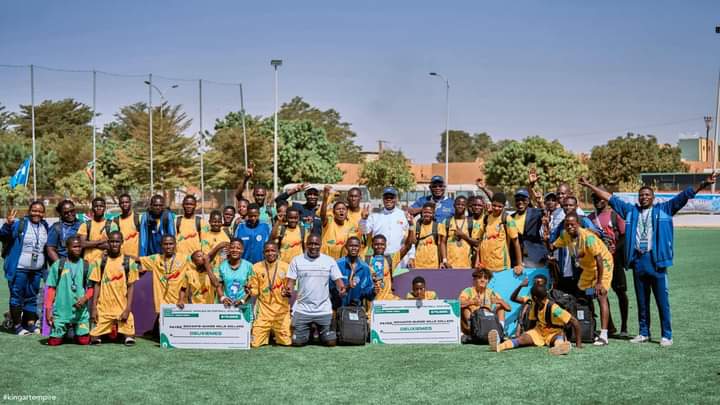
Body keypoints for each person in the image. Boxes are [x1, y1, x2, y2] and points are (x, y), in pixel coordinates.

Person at [580, 172, 717, 347]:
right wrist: (589, 185)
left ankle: (666, 334)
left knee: (662, 300)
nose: (644, 197)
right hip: (638, 260)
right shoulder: (631, 211)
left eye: (647, 195)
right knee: (642, 300)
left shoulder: (664, 209)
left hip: (656, 260)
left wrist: (704, 183)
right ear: (638, 199)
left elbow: (684, 196)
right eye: (641, 195)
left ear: (653, 198)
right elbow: (610, 198)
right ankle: (644, 332)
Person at [545, 212, 614, 346]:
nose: (570, 227)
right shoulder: (565, 235)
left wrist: (599, 283)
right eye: (567, 224)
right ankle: (591, 327)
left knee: (601, 294)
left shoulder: (588, 237)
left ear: (578, 224)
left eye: (573, 224)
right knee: (583, 293)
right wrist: (546, 239)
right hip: (588, 267)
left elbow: (599, 259)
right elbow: (552, 247)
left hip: (603, 265)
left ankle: (604, 334)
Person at [489, 278, 582, 355]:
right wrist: (527, 334)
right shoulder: (534, 302)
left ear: (535, 297)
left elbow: (574, 321)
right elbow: (513, 298)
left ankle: (559, 347)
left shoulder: (554, 308)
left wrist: (578, 344)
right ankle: (498, 347)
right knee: (521, 340)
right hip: (539, 332)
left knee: (558, 338)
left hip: (554, 332)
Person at [286, 235, 346, 346]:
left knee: (331, 343)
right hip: (303, 309)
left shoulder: (329, 261)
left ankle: (316, 329)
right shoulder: (297, 260)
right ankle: (310, 329)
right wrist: (288, 289)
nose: (313, 246)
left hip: (323, 309)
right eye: (310, 244)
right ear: (306, 245)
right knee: (297, 343)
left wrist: (341, 288)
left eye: (316, 244)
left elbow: (338, 281)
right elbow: (290, 281)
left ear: (320, 245)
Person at [2, 201, 49, 335]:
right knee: (17, 296)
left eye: (40, 211)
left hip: (36, 269)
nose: (37, 213)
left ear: (43, 213)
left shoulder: (44, 226)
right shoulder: (20, 224)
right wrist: (8, 224)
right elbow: (3, 235)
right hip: (20, 267)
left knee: (32, 296)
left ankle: (30, 324)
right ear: (29, 211)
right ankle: (17, 325)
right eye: (34, 210)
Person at [588, 190, 629, 337]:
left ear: (606, 199)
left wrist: (614, 248)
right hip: (599, 261)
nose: (597, 201)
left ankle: (624, 327)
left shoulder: (614, 214)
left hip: (615, 260)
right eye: (594, 198)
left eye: (600, 198)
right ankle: (610, 326)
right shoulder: (590, 218)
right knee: (601, 292)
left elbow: (624, 236)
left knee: (620, 292)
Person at [88, 231, 139, 346]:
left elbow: (131, 287)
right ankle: (103, 332)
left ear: (122, 243)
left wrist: (127, 309)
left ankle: (124, 332)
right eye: (111, 241)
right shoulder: (100, 262)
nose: (114, 244)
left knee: (130, 336)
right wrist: (94, 307)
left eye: (117, 242)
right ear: (108, 243)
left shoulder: (128, 262)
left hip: (121, 307)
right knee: (93, 337)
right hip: (104, 308)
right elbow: (96, 285)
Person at [136, 235, 190, 338]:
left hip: (179, 300)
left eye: (171, 244)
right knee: (165, 337)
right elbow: (138, 259)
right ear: (161, 246)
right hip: (163, 302)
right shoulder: (156, 258)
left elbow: (200, 260)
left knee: (180, 335)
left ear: (175, 245)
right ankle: (156, 331)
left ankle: (154, 331)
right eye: (165, 244)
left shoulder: (184, 258)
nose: (168, 246)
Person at [44, 236, 93, 346]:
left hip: (80, 312)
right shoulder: (58, 265)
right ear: (67, 248)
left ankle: (75, 330)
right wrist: (48, 310)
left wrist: (85, 298)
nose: (78, 249)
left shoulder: (86, 265)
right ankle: (64, 330)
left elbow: (91, 289)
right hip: (61, 311)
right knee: (54, 342)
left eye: (79, 246)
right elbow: (51, 289)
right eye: (74, 247)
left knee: (84, 341)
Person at [247, 242, 291, 347]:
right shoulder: (256, 267)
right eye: (267, 251)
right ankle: (268, 333)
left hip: (281, 311)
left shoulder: (286, 267)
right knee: (255, 344)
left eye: (273, 250)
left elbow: (290, 289)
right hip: (264, 311)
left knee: (287, 343)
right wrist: (249, 291)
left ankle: (275, 333)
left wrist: (287, 293)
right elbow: (255, 291)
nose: (270, 253)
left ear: (278, 252)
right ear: (263, 253)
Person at [360, 187, 411, 265]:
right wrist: (364, 219)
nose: (389, 199)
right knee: (380, 277)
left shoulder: (403, 215)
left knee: (398, 277)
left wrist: (411, 256)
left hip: (399, 257)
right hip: (379, 258)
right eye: (386, 197)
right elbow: (364, 231)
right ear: (383, 199)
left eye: (391, 197)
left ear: (396, 199)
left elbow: (409, 238)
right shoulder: (375, 215)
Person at [476, 193, 523, 275]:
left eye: (500, 206)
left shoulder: (507, 219)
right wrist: (477, 260)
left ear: (503, 207)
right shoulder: (486, 218)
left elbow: (516, 242)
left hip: (501, 267)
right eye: (494, 205)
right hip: (485, 266)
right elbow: (480, 241)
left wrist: (519, 264)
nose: (496, 208)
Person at [459, 268, 510, 335]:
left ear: (488, 281)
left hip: (486, 322)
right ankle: (473, 332)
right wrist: (472, 302)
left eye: (485, 278)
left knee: (501, 309)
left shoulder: (491, 292)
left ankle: (499, 332)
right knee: (465, 309)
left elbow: (509, 308)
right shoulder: (468, 291)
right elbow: (458, 304)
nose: (482, 280)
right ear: (475, 280)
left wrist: (500, 301)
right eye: (479, 278)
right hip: (473, 322)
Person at [510, 179, 547, 268]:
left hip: (535, 258)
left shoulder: (535, 213)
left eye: (523, 199)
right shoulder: (510, 218)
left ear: (528, 201)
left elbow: (546, 213)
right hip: (518, 259)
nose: (520, 202)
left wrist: (540, 202)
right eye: (517, 199)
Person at [332, 236, 376, 308]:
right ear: (346, 247)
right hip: (339, 310)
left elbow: (368, 296)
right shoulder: (337, 264)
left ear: (360, 247)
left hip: (357, 310)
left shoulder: (365, 268)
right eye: (351, 246)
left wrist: (374, 291)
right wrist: (347, 287)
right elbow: (331, 288)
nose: (353, 248)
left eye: (356, 246)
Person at [320, 186, 360, 260]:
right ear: (334, 212)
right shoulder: (329, 222)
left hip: (343, 261)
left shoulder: (350, 225)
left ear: (346, 212)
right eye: (338, 209)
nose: (341, 211)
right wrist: (325, 199)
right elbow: (322, 215)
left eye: (343, 209)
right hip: (327, 260)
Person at [215, 239, 254, 307]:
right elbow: (219, 286)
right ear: (229, 250)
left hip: (244, 305)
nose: (235, 250)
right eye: (232, 247)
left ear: (242, 250)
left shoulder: (249, 266)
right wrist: (223, 298)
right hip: (226, 305)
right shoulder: (222, 266)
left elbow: (252, 288)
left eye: (238, 248)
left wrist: (242, 300)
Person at [77, 197, 115, 264]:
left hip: (106, 264)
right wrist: (102, 241)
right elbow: (82, 244)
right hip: (88, 263)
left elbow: (111, 246)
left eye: (101, 206)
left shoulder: (112, 225)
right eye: (96, 206)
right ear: (92, 208)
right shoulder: (85, 225)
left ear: (105, 208)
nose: (99, 208)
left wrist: (89, 243)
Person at [443, 196, 476, 269]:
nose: (460, 206)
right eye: (458, 204)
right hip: (450, 265)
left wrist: (463, 236)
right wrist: (445, 261)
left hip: (467, 265)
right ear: (454, 205)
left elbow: (477, 243)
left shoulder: (471, 222)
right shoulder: (446, 222)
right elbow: (442, 242)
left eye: (463, 205)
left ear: (466, 206)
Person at [413, 202, 447, 269]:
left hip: (433, 264)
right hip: (418, 264)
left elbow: (441, 244)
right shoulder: (416, 226)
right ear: (422, 213)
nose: (427, 214)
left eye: (430, 213)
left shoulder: (439, 226)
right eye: (425, 212)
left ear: (433, 214)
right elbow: (411, 244)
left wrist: (443, 261)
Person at [113, 194, 141, 258]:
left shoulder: (138, 218)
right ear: (119, 204)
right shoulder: (116, 220)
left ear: (130, 203)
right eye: (122, 203)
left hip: (135, 258)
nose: (124, 204)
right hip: (120, 258)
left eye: (126, 202)